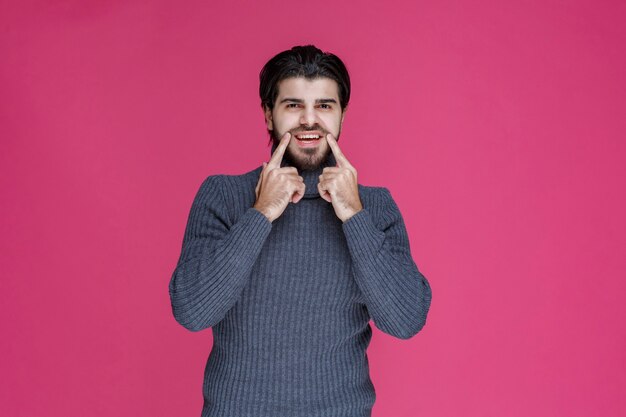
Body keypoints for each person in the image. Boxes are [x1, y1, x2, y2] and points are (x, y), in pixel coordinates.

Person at [168, 44, 432, 417]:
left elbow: (405, 321)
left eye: (325, 105)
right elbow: (192, 311)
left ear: (342, 115)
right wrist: (260, 214)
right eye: (293, 105)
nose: (310, 120)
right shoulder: (224, 196)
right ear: (268, 114)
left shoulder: (374, 206)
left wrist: (354, 217)